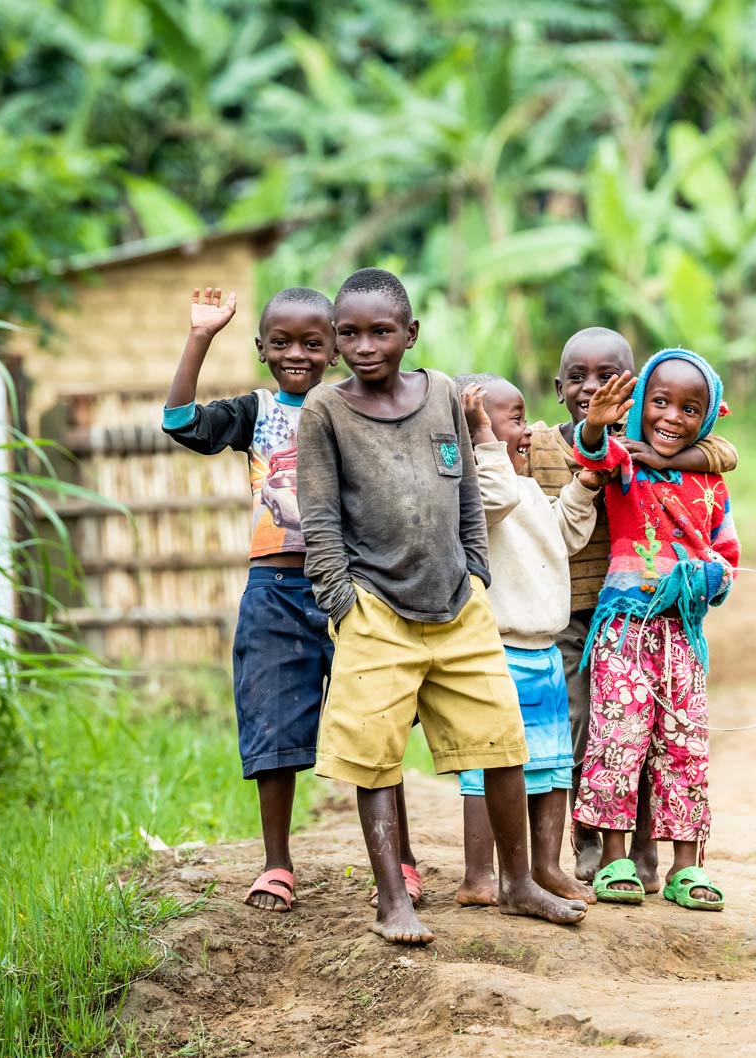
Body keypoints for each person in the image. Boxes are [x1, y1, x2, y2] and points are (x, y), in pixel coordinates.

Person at [297, 268, 587, 944]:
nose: (365, 345)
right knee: (374, 756)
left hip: (458, 605)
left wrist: (475, 574)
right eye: (350, 333)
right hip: (374, 610)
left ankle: (518, 884)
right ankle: (391, 898)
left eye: (381, 331)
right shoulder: (325, 411)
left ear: (411, 334)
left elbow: (464, 496)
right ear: (336, 341)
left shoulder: (444, 396)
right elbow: (318, 518)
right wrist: (343, 603)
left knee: (502, 744)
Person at [163, 284, 425, 912]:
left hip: (358, 588)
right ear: (261, 349)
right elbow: (178, 423)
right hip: (276, 589)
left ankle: (402, 862)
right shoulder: (255, 412)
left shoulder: (358, 408)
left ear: (336, 349)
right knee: (272, 724)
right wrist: (200, 336)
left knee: (376, 725)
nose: (297, 355)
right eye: (281, 343)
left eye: (313, 343)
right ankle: (277, 863)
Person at [525, 326, 738, 893]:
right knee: (601, 732)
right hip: (597, 621)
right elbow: (592, 452)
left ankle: (671, 860)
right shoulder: (614, 458)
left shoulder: (698, 472)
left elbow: (727, 538)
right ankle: (599, 847)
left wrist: (710, 579)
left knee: (677, 741)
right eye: (578, 378)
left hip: (675, 630)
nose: (594, 389)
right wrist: (597, 425)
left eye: (609, 378)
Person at [451, 372, 602, 911]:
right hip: (497, 651)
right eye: (513, 419)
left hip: (544, 648)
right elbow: (491, 498)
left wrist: (583, 484)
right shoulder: (474, 493)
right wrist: (483, 439)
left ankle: (546, 865)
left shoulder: (529, 488)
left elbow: (567, 532)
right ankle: (478, 873)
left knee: (552, 763)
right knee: (487, 766)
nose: (528, 432)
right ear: (476, 430)